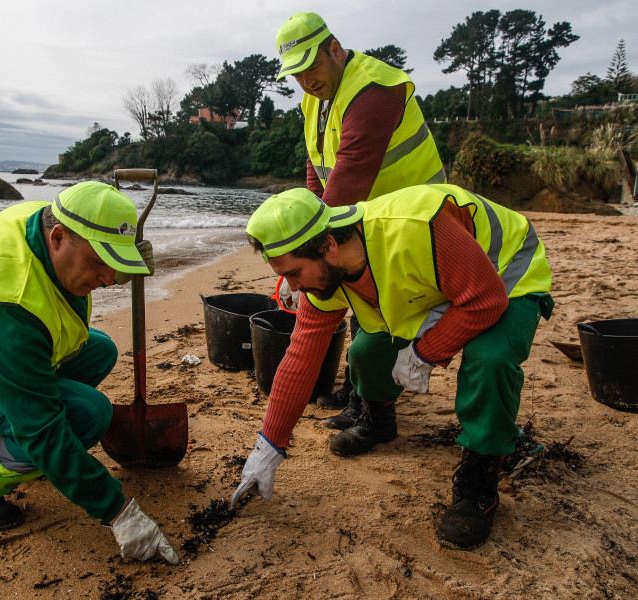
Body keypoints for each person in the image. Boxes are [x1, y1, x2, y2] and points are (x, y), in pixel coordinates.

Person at [231, 185, 554, 549]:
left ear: (328, 247)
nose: (292, 287)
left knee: (489, 360)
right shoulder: (325, 272)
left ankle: (480, 479)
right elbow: (301, 354)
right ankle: (379, 421)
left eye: (294, 273)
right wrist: (269, 445)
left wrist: (425, 352)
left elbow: (484, 300)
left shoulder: (415, 228)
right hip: (436, 284)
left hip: (504, 272)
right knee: (366, 352)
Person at [0, 181, 179, 564]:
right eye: (98, 264)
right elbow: (41, 424)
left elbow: (67, 278)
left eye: (114, 264)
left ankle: (29, 453)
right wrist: (120, 513)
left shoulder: (44, 219)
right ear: (57, 237)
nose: (107, 279)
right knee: (87, 415)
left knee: (99, 349)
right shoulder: (5, 306)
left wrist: (120, 267)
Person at [274, 11, 446, 419]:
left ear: (335, 49)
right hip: (367, 219)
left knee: (377, 306)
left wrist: (302, 252)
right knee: (360, 296)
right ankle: (357, 389)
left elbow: (348, 176)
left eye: (310, 66)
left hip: (414, 220)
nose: (305, 80)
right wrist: (309, 222)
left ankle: (369, 405)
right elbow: (318, 169)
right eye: (295, 74)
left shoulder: (374, 88)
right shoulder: (314, 99)